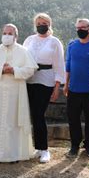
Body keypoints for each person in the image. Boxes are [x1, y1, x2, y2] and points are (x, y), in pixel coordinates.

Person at [0, 24, 38, 163]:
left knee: (13, 121)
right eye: (5, 32)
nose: (7, 35)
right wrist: (1, 69)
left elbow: (31, 69)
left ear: (15, 36)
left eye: (10, 33)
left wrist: (14, 70)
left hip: (16, 90)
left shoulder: (23, 51)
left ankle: (14, 154)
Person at [23, 13, 65, 163]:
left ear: (49, 24)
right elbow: (22, 57)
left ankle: (45, 149)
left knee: (39, 114)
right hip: (28, 79)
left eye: (45, 22)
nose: (41, 25)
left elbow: (59, 65)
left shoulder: (55, 42)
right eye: (39, 22)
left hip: (46, 81)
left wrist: (57, 86)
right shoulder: (29, 40)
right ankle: (35, 147)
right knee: (31, 115)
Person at [63, 18, 89, 159]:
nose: (80, 30)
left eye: (83, 27)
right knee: (73, 118)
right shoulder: (72, 46)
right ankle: (74, 145)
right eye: (78, 28)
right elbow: (68, 66)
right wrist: (66, 84)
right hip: (73, 90)